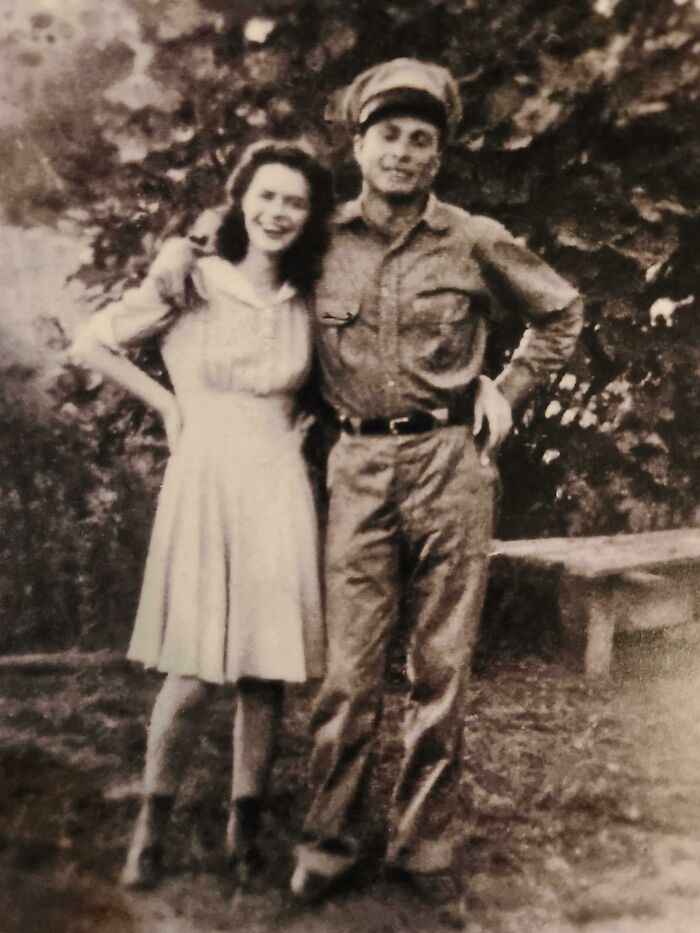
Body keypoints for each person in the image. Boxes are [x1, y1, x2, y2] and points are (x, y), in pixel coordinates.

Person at [148, 58, 584, 923]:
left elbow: (562, 310)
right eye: (389, 134)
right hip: (354, 466)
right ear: (359, 143)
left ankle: (423, 842)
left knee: (440, 667)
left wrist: (509, 387)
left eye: (423, 139)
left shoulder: (472, 237)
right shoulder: (320, 236)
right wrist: (182, 242)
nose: (404, 152)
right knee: (348, 673)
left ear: (439, 155)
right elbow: (245, 238)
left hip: (451, 464)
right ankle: (329, 840)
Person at [69, 140, 334, 890]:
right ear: (241, 199)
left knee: (265, 672)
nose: (278, 212)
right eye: (267, 195)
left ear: (310, 216)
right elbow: (93, 341)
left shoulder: (307, 294)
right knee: (194, 666)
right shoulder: (192, 278)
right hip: (207, 476)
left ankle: (242, 827)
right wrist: (168, 406)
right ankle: (151, 825)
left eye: (295, 202)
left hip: (278, 479)